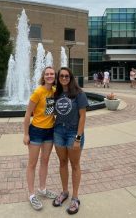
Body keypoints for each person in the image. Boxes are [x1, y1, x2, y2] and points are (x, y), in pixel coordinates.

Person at [52, 67, 88, 215]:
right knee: (62, 163)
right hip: (59, 131)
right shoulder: (56, 93)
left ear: (71, 77)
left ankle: (75, 197)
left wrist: (78, 138)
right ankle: (65, 192)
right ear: (58, 78)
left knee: (74, 165)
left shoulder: (79, 94)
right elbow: (50, 112)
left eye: (67, 76)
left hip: (74, 133)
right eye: (62, 76)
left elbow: (83, 117)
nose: (64, 78)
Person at [23, 66, 57, 211]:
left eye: (52, 74)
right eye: (47, 74)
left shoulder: (54, 91)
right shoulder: (38, 92)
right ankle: (31, 194)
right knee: (32, 163)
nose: (50, 76)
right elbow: (27, 113)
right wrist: (25, 134)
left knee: (45, 161)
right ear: (43, 77)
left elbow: (51, 111)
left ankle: (42, 189)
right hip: (36, 131)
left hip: (50, 131)